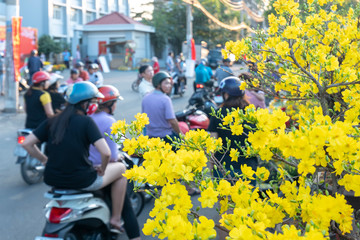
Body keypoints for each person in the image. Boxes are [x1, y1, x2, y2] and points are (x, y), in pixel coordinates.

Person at [21, 81, 127, 231]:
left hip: (53, 180)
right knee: (122, 169)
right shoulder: (86, 122)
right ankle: (116, 218)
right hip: (82, 180)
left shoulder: (52, 121)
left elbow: (27, 144)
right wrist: (102, 169)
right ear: (85, 104)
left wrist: (45, 160)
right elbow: (106, 153)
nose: (95, 106)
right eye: (94, 102)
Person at [88, 85, 141, 240]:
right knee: (127, 208)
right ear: (110, 104)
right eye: (115, 102)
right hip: (104, 171)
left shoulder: (87, 118)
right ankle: (119, 222)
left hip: (86, 169)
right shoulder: (109, 121)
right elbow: (113, 154)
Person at [207, 76, 258, 181]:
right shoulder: (251, 113)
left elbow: (213, 145)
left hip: (223, 167)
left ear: (226, 95)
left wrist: (211, 167)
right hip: (248, 168)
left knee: (224, 197)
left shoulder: (218, 114)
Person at [142, 71, 180, 142]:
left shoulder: (145, 98)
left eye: (169, 83)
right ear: (158, 84)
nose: (169, 86)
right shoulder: (165, 99)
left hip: (150, 137)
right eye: (166, 83)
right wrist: (181, 134)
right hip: (165, 136)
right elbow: (172, 121)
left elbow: (143, 118)